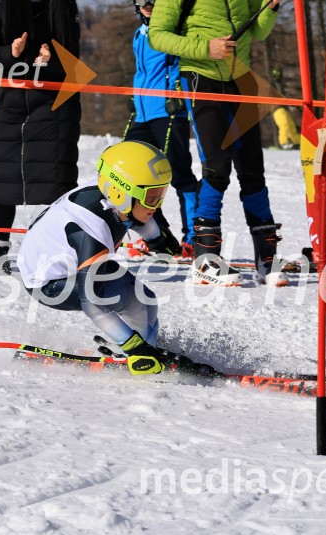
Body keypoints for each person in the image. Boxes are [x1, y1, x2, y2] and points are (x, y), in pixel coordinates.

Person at [18, 141, 197, 375]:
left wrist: (158, 239)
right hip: (48, 283)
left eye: (160, 194)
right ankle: (137, 351)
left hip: (73, 265)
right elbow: (90, 303)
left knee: (147, 300)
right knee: (131, 301)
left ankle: (147, 346)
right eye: (152, 197)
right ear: (120, 193)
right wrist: (133, 347)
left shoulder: (114, 194)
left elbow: (136, 215)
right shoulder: (92, 230)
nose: (157, 205)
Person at [148, 0, 287, 287]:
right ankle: (206, 260)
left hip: (240, 76)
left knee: (252, 168)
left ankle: (267, 259)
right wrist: (205, 48)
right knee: (217, 165)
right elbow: (157, 34)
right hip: (201, 76)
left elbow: (258, 32)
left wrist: (270, 8)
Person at [0, 0, 81, 275]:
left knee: (55, 179)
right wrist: (12, 51)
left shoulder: (63, 5)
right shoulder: (0, 4)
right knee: (3, 172)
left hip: (54, 102)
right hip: (11, 100)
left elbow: (74, 59)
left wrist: (50, 58)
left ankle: (58, 249)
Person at [125, 0, 199, 260]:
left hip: (168, 110)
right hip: (143, 113)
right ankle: (158, 236)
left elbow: (182, 59)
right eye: (140, 0)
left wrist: (179, 91)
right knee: (130, 174)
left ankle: (193, 238)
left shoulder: (172, 30)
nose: (146, 4)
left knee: (179, 175)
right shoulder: (140, 32)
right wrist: (135, 97)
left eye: (153, 0)